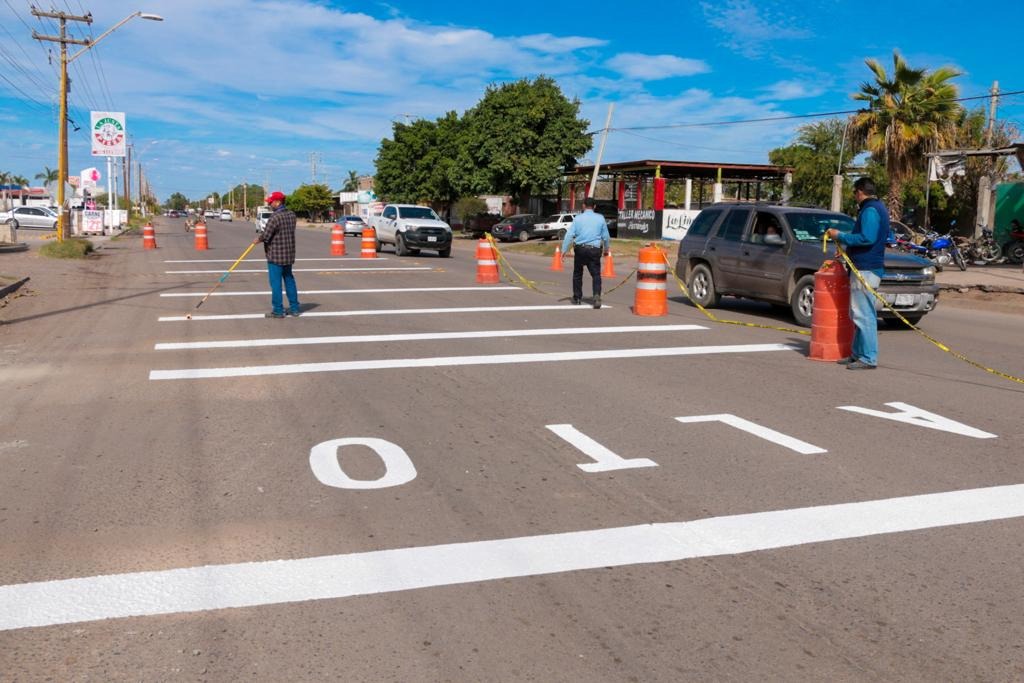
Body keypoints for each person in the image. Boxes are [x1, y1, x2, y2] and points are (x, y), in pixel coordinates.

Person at [826, 177, 889, 370]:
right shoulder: (877, 208)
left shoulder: (870, 210)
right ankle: (857, 353)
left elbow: (867, 238)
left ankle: (868, 358)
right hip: (865, 266)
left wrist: (840, 236)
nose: (854, 196)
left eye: (854, 192)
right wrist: (847, 250)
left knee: (864, 314)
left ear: (860, 191)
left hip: (866, 269)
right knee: (857, 312)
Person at [253, 190, 301, 318]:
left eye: (271, 202)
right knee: (289, 280)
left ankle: (278, 310)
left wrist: (258, 239)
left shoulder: (274, 217)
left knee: (276, 284)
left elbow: (266, 235)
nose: (270, 204)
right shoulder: (292, 215)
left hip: (275, 256)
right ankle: (295, 308)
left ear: (278, 202)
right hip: (289, 254)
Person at [560, 196, 611, 309]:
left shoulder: (578, 218)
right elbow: (606, 237)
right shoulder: (600, 218)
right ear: (595, 207)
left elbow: (569, 235)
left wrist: (563, 250)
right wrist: (607, 249)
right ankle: (596, 296)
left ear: (583, 206)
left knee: (578, 274)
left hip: (580, 249)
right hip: (594, 250)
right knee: (596, 274)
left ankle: (577, 298)